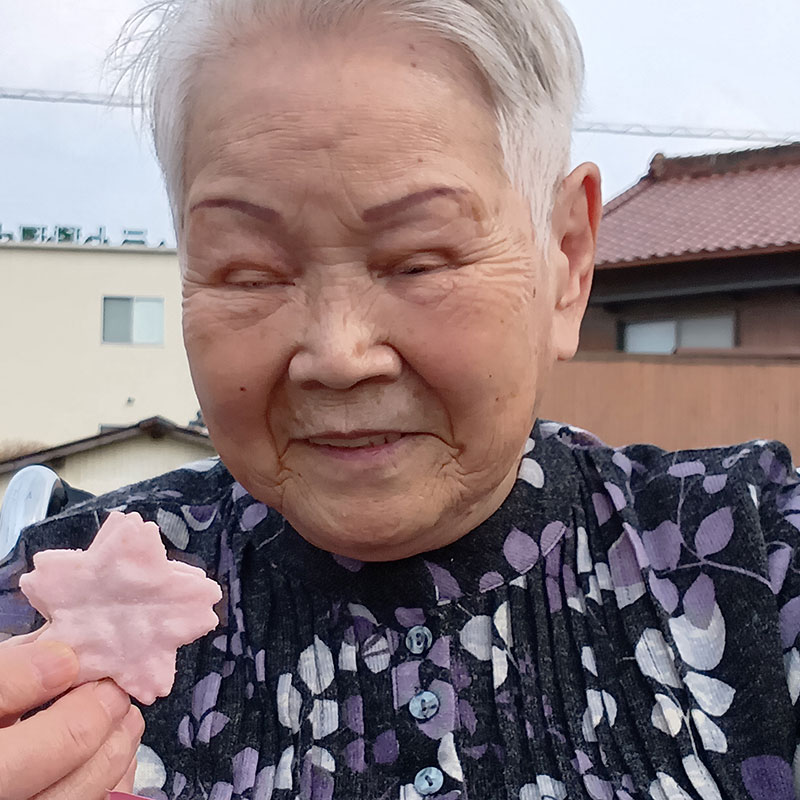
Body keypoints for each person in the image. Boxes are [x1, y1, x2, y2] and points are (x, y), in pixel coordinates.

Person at [1, 0, 799, 798]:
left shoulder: (757, 562)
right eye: (250, 272)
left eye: (419, 261)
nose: (338, 356)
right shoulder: (43, 615)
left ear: (567, 260)